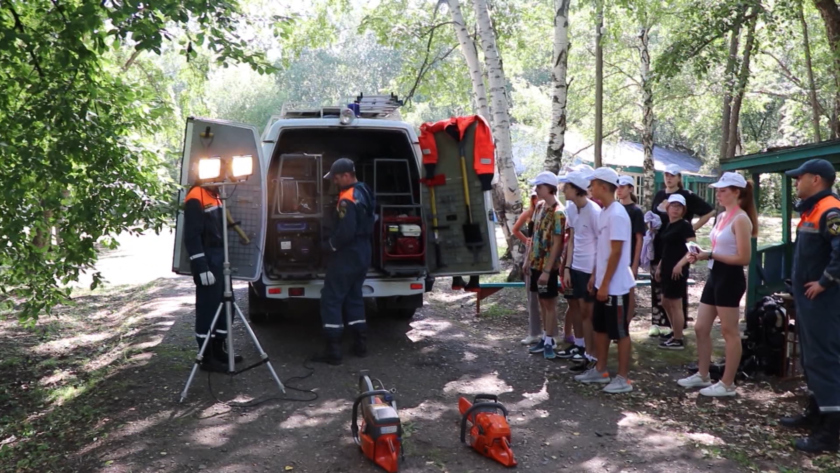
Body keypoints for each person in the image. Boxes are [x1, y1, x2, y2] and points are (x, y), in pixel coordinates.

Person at [777, 159, 840, 452]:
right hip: (807, 301)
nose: (796, 182)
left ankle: (830, 433)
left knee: (824, 359)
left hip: (823, 302)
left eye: (799, 178)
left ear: (815, 179)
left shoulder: (830, 209)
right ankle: (816, 413)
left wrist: (824, 282)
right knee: (811, 357)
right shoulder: (814, 209)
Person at [678, 172, 757, 397]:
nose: (718, 194)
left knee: (729, 331)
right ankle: (703, 374)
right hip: (715, 275)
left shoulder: (741, 219)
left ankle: (727, 383)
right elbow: (719, 248)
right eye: (718, 190)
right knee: (701, 327)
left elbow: (744, 258)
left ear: (736, 192)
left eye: (723, 190)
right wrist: (701, 254)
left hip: (730, 278)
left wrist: (710, 254)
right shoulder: (722, 216)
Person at [574, 167, 636, 393]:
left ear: (603, 186)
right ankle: (600, 370)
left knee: (619, 332)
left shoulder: (618, 214)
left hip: (616, 285)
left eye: (593, 184)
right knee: (600, 327)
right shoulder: (605, 211)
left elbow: (617, 252)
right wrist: (595, 276)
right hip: (603, 282)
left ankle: (623, 378)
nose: (590, 188)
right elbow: (603, 250)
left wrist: (607, 283)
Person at [312, 158, 376, 366]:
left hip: (347, 253)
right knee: (354, 296)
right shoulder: (364, 190)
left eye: (337, 178)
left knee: (331, 297)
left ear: (347, 175)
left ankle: (333, 349)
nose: (335, 182)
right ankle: (361, 345)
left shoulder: (346, 198)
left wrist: (329, 246)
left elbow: (346, 231)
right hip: (364, 251)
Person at [649, 164, 715, 339]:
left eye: (673, 175)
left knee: (675, 295)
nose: (669, 178)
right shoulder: (660, 195)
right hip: (662, 246)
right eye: (666, 175)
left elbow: (709, 212)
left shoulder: (686, 198)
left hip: (679, 251)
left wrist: (690, 228)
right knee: (661, 290)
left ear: (679, 177)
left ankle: (678, 333)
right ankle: (661, 324)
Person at [183, 184, 241, 372]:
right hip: (207, 259)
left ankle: (219, 349)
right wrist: (201, 267)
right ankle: (206, 357)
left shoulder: (216, 194)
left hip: (219, 257)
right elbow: (192, 236)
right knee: (208, 308)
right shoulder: (196, 196)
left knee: (226, 305)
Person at [557, 171, 601, 370]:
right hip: (574, 268)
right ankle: (580, 345)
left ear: (576, 189)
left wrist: (593, 272)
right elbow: (572, 239)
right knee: (574, 306)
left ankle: (592, 355)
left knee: (587, 311)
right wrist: (567, 267)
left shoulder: (594, 211)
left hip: (588, 269)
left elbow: (601, 243)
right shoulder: (571, 209)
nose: (563, 190)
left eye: (566, 187)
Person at [525, 171, 566, 359]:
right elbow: (533, 235)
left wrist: (548, 270)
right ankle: (544, 336)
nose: (536, 190)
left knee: (550, 302)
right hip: (535, 262)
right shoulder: (539, 206)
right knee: (542, 301)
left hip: (547, 265)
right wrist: (528, 259)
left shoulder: (559, 212)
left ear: (549, 188)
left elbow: (558, 243)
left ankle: (550, 338)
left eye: (539, 186)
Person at [655, 194, 696, 350]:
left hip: (677, 270)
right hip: (666, 268)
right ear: (667, 208)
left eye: (679, 206)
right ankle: (675, 331)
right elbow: (667, 250)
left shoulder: (684, 225)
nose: (675, 209)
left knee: (675, 303)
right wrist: (660, 266)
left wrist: (680, 264)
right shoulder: (668, 225)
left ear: (683, 209)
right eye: (673, 206)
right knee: (665, 302)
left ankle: (678, 339)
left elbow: (694, 249)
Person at [513, 190, 543, 345]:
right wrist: (527, 241)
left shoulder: (551, 212)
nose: (536, 199)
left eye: (538, 196)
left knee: (546, 298)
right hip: (531, 256)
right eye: (533, 197)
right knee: (532, 297)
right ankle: (534, 332)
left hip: (544, 257)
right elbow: (515, 229)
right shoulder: (529, 213)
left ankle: (548, 333)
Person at [617, 176, 645, 320]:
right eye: (618, 186)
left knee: (629, 293)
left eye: (623, 186)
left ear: (631, 189)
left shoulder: (636, 211)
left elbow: (639, 239)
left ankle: (625, 326)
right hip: (615, 257)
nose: (619, 189)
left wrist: (635, 264)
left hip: (629, 258)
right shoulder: (614, 208)